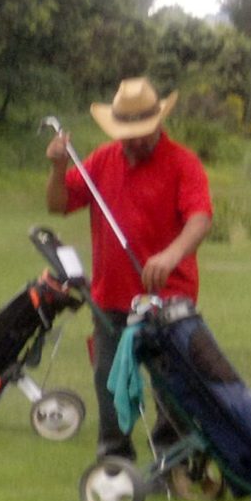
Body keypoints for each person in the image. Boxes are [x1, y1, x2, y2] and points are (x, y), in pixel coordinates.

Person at [46, 77, 214, 465]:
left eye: (142, 133)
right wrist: (57, 167)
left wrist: (171, 255)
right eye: (127, 134)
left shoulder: (183, 163)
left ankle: (173, 460)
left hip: (168, 298)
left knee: (172, 384)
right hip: (111, 297)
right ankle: (114, 458)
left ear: (158, 123)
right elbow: (58, 203)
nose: (133, 141)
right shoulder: (103, 160)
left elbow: (200, 218)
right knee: (109, 378)